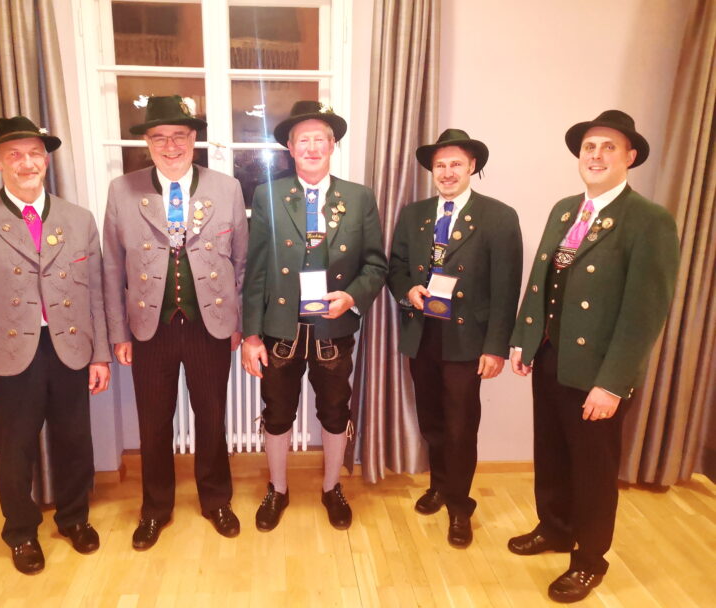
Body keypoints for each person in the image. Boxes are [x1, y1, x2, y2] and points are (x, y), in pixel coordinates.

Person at [508, 110, 679, 603]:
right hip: (551, 357)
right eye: (589, 147)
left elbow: (645, 313)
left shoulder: (648, 220)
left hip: (597, 372)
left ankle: (589, 560)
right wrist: (524, 338)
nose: (596, 155)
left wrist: (613, 383)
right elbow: (541, 279)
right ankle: (555, 528)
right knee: (552, 453)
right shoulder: (566, 210)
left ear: (630, 157)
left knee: (593, 470)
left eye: (609, 147)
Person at [0, 116, 111, 574]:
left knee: (75, 440)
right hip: (8, 352)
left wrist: (100, 355)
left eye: (35, 153)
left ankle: (74, 518)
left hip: (70, 348)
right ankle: (20, 532)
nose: (27, 163)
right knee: (14, 449)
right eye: (14, 155)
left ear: (46, 160)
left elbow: (95, 293)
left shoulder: (79, 219)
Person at [102, 95, 248, 546]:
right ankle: (155, 509)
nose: (170, 146)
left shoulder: (227, 188)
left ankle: (216, 500)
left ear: (194, 138)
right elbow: (111, 267)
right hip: (150, 329)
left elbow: (241, 262)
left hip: (210, 326)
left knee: (212, 417)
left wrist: (237, 323)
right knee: (153, 423)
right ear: (147, 142)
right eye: (159, 137)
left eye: (179, 136)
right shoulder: (122, 190)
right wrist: (118, 333)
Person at [241, 100, 387, 531]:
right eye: (302, 140)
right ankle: (278, 488)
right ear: (290, 147)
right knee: (277, 411)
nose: (311, 147)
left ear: (332, 145)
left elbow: (375, 264)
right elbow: (256, 269)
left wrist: (352, 296)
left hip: (333, 326)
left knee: (335, 411)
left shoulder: (359, 197)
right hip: (280, 327)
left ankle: (331, 487)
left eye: (319, 139)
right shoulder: (268, 195)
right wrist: (251, 335)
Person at [387, 129, 522, 547]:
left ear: (472, 167)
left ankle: (460, 506)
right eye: (440, 165)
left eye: (456, 164)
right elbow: (396, 267)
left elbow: (506, 288)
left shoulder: (499, 216)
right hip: (423, 334)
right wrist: (408, 290)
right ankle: (440, 486)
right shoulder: (414, 214)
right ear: (432, 170)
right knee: (431, 420)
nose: (447, 172)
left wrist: (495, 347)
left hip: (467, 340)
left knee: (461, 427)